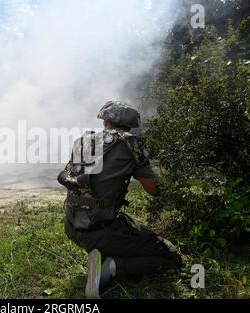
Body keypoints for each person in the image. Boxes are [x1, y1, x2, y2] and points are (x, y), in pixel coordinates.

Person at [58, 101, 182, 299]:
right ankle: (110, 268)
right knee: (169, 254)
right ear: (130, 126)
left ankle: (102, 255)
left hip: (72, 228)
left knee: (129, 225)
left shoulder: (83, 140)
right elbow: (154, 190)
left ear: (106, 120)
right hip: (100, 231)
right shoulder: (130, 143)